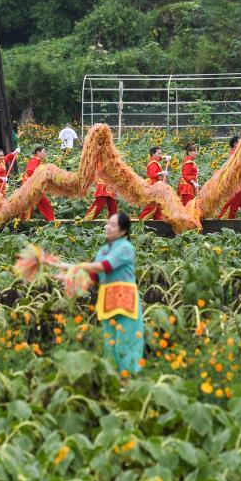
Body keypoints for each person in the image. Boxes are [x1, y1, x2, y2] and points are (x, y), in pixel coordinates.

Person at [82, 213, 145, 376]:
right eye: (107, 224)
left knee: (126, 343)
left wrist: (75, 266)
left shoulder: (126, 247)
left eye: (112, 225)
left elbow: (105, 267)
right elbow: (93, 279)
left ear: (123, 231)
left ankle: (129, 381)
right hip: (108, 300)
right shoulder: (103, 250)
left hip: (125, 300)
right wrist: (66, 277)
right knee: (110, 343)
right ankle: (113, 381)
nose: (107, 227)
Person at [21, 146, 55, 222]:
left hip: (31, 186)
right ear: (38, 152)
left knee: (29, 203)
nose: (45, 154)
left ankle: (21, 219)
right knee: (44, 202)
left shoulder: (37, 160)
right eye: (44, 152)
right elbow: (30, 171)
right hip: (31, 186)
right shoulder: (35, 160)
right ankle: (50, 219)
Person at [138, 146, 169, 221]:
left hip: (156, 184)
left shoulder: (154, 160)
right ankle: (140, 221)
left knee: (158, 204)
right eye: (159, 153)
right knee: (151, 205)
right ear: (153, 154)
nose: (160, 155)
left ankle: (158, 221)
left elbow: (159, 158)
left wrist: (164, 157)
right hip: (153, 185)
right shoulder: (153, 163)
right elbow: (151, 174)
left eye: (161, 153)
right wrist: (161, 172)